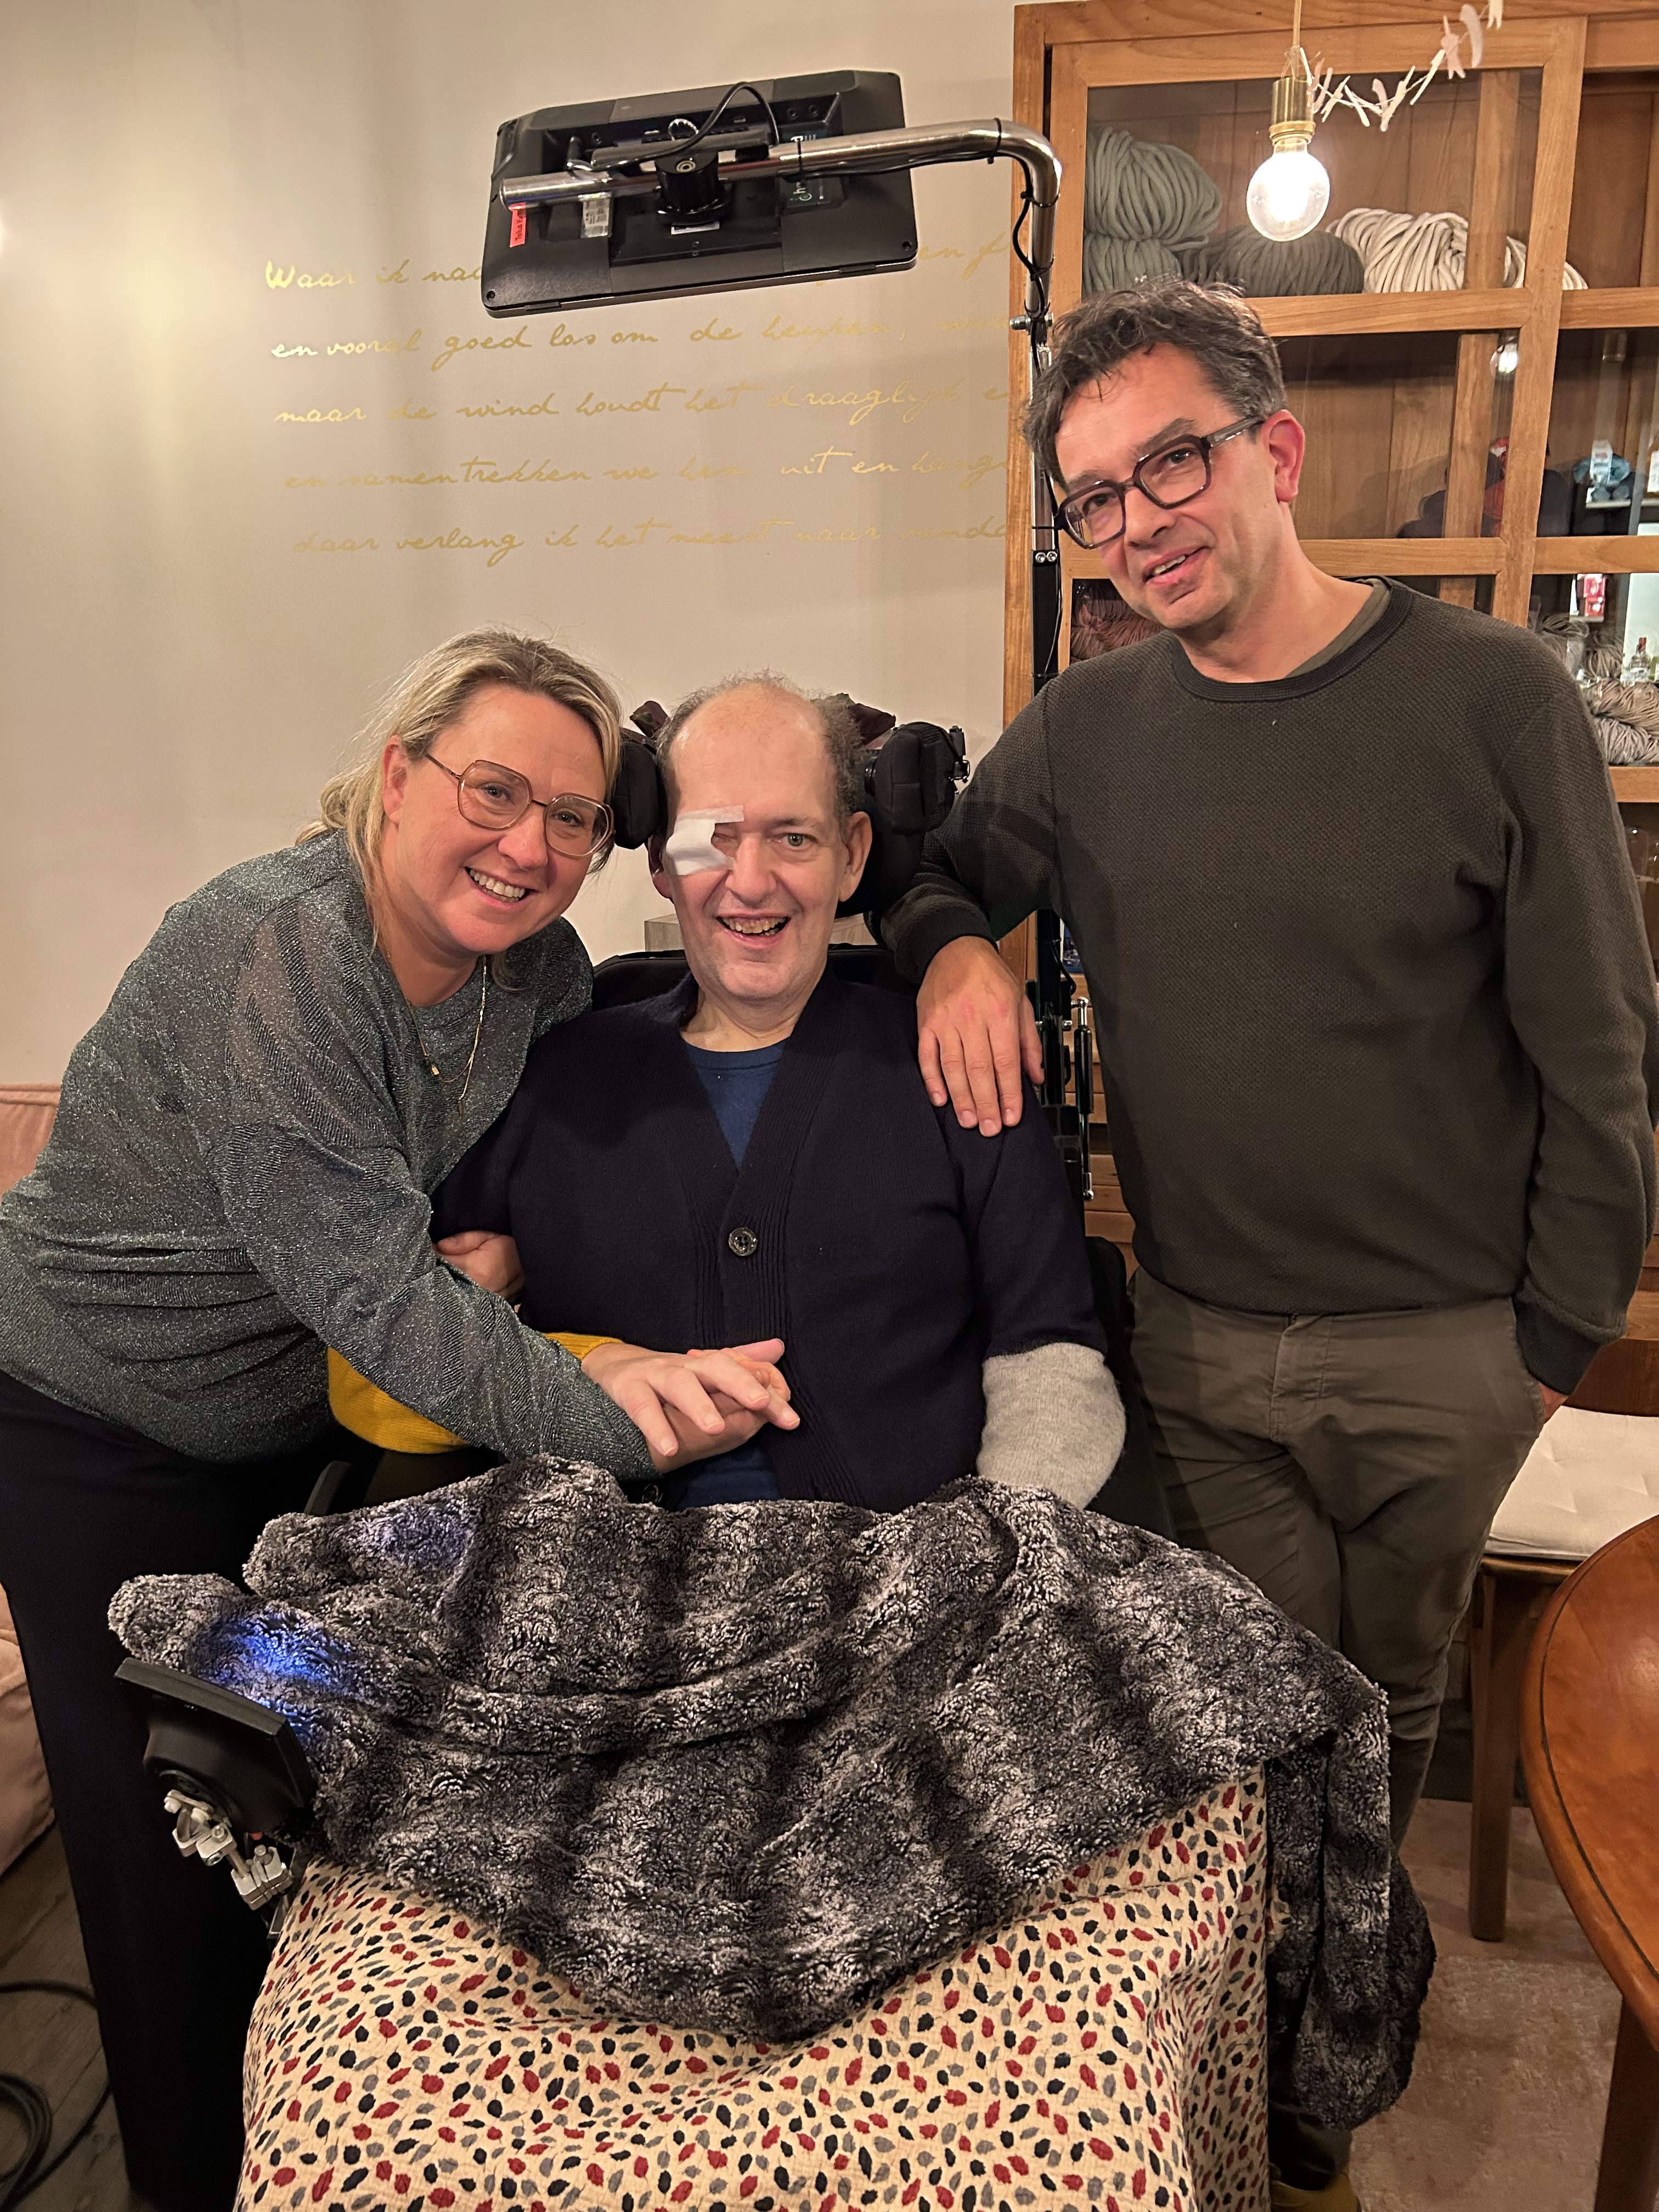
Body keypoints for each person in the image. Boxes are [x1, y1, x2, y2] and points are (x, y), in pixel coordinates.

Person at [879, 282, 1659, 2211]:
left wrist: (1549, 1342)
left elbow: (1601, 1051)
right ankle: (1278, 2040)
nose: (1137, 520)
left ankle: (1330, 2046)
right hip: (1206, 1342)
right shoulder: (1085, 729)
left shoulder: (1495, 699)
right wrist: (959, 950)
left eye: (1173, 462)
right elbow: (935, 870)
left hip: (1450, 1348)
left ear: (1276, 452)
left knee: (1382, 1701)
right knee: (1255, 1711)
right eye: (1096, 495)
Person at [0, 628, 792, 2212]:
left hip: (288, 1432)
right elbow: (383, 1300)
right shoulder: (275, 952)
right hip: (93, 1431)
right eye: (494, 790)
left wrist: (900, 966)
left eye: (573, 817)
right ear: (397, 776)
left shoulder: (532, 972)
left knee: (298, 1821)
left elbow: (625, 1021)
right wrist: (631, 1425)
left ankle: (307, 2155)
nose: (529, 845)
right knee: (173, 1848)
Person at [425, 673, 1127, 1512]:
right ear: (661, 860)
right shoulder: (547, 1082)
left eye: (793, 838)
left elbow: (1052, 1358)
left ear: (852, 855)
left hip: (916, 1566)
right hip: (606, 1571)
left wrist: (984, 1552)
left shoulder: (958, 1066)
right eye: (708, 840)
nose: (751, 882)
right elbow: (414, 1343)